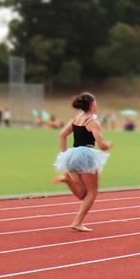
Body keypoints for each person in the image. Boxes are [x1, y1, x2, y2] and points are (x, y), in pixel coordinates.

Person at [52, 92, 112, 232]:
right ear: (92, 104)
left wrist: (64, 153)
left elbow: (62, 134)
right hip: (87, 154)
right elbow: (102, 145)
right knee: (92, 191)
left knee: (82, 194)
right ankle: (77, 222)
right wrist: (109, 145)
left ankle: (67, 179)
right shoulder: (92, 122)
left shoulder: (76, 119)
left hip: (72, 155)